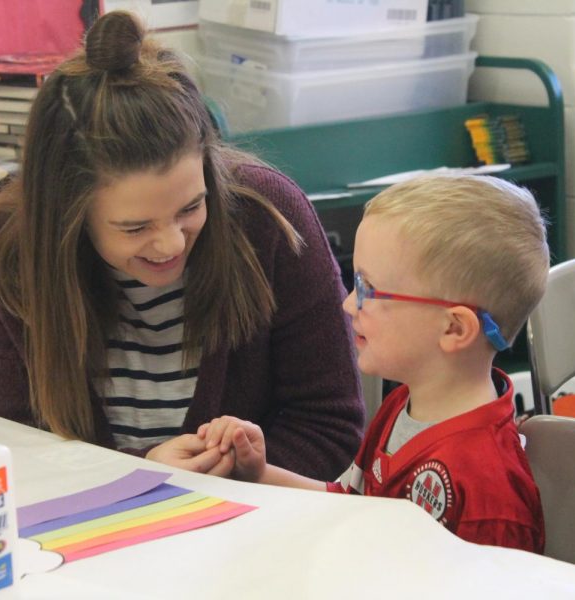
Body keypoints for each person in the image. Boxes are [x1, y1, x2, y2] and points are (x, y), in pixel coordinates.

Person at [0, 11, 363, 481]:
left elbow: (329, 422)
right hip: (91, 530)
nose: (170, 242)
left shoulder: (269, 217)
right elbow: (22, 444)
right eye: (134, 227)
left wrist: (232, 480)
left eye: (190, 208)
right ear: (67, 214)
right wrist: (142, 477)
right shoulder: (0, 253)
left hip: (252, 526)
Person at [197, 174, 549, 552]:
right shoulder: (403, 405)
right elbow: (352, 501)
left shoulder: (487, 490)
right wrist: (260, 473)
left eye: (367, 289)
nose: (349, 304)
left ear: (453, 328)